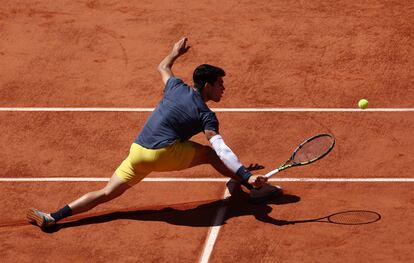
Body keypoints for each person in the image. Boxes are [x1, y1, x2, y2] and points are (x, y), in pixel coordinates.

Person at [27, 37, 282, 228]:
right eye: (220, 84)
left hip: (138, 150)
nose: (223, 88)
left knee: (106, 193)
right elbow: (220, 148)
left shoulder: (175, 87)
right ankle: (251, 188)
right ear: (207, 86)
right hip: (161, 152)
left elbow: (163, 67)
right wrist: (246, 175)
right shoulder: (206, 115)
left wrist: (174, 52)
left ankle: (52, 217)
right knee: (209, 154)